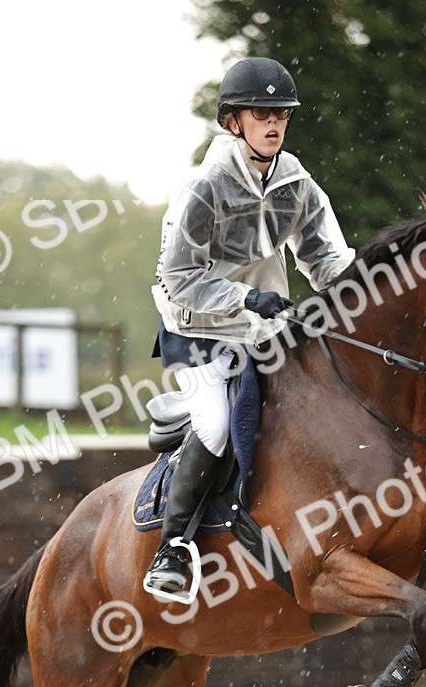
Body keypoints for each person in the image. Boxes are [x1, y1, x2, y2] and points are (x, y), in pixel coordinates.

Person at [144, 56, 354, 597]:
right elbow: (180, 279)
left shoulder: (296, 182)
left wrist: (371, 286)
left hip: (263, 331)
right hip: (197, 332)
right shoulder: (203, 187)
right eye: (260, 113)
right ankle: (173, 547)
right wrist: (245, 297)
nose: (274, 123)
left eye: (281, 113)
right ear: (232, 121)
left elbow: (326, 260)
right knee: (214, 424)